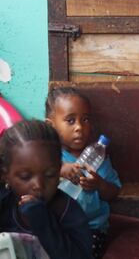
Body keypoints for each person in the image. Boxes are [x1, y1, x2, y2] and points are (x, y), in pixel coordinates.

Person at [0, 120, 93, 259]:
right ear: (5, 175)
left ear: (59, 170)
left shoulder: (68, 212)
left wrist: (41, 220)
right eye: (25, 177)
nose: (38, 185)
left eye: (50, 175)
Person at [45, 87, 121, 258]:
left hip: (90, 228)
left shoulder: (99, 158)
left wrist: (99, 184)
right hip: (56, 226)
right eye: (70, 120)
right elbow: (35, 178)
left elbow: (113, 192)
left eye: (85, 119)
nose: (79, 127)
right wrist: (59, 169)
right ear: (52, 125)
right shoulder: (49, 155)